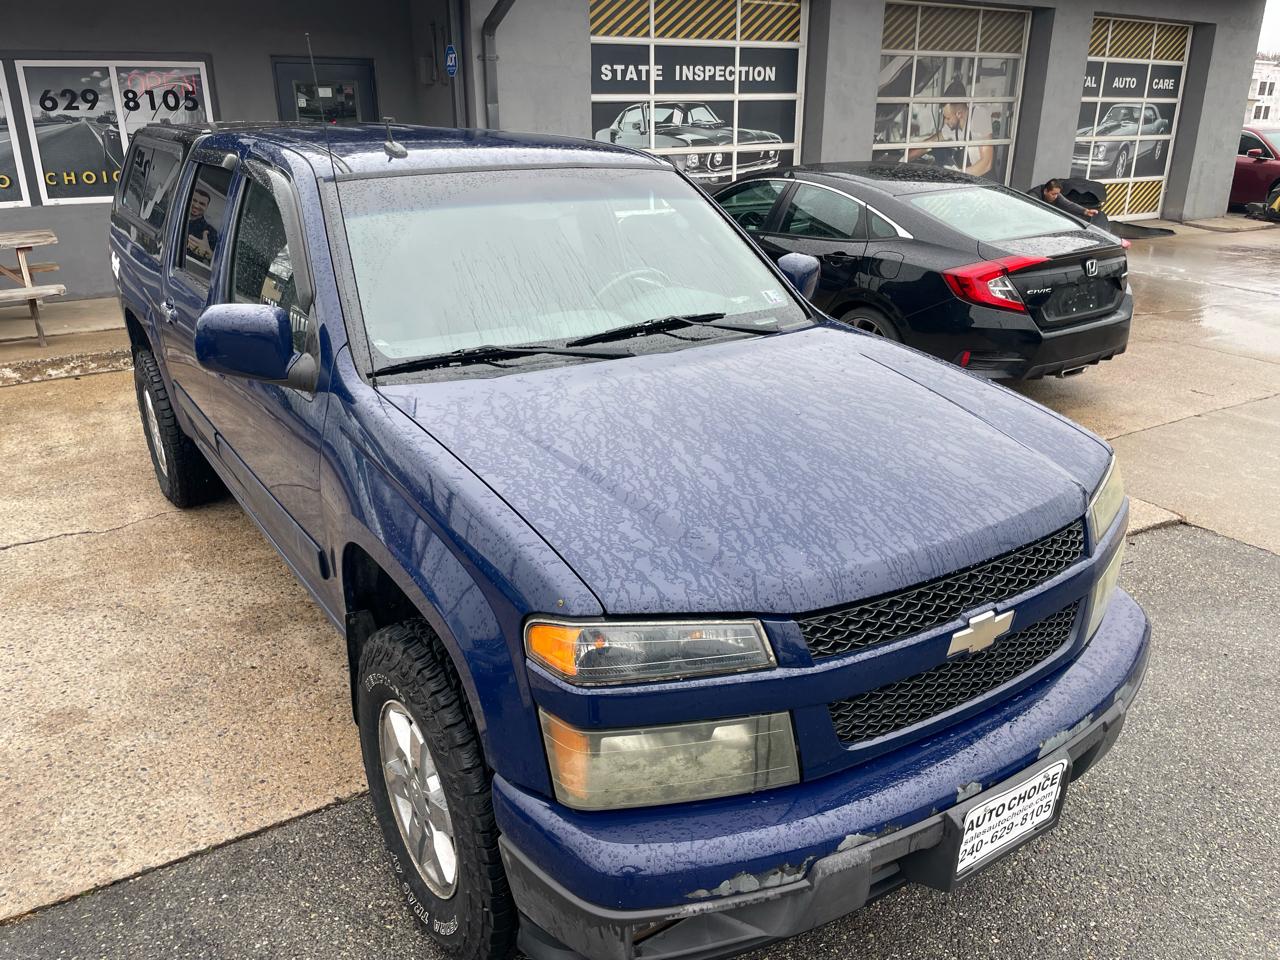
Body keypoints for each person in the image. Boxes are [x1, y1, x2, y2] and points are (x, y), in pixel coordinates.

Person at [907, 80, 995, 178]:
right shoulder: (953, 126)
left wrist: (957, 175)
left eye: (947, 118)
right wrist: (905, 158)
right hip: (968, 179)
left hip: (986, 182)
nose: (945, 122)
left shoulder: (979, 116)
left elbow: (987, 163)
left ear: (959, 114)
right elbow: (930, 143)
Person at [1027, 178, 1100, 219]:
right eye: (1053, 194)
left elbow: (1068, 205)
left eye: (1057, 194)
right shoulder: (1033, 196)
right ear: (1046, 191)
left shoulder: (1056, 196)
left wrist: (1086, 211)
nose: (1055, 197)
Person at [185, 187, 219, 265]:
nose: (196, 205)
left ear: (206, 207)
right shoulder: (173, 215)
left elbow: (218, 264)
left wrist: (209, 254)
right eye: (194, 200)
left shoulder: (210, 232)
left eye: (202, 204)